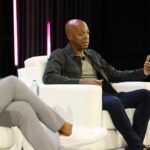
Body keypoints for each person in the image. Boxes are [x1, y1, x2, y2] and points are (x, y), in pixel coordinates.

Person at [43, 19, 150, 150]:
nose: (86, 37)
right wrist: (82, 82)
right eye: (81, 33)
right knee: (114, 102)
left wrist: (143, 72)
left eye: (87, 33)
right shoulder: (60, 55)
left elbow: (115, 74)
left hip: (107, 94)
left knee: (145, 95)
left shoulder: (93, 54)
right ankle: (138, 146)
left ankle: (135, 146)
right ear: (70, 36)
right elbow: (49, 77)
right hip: (89, 97)